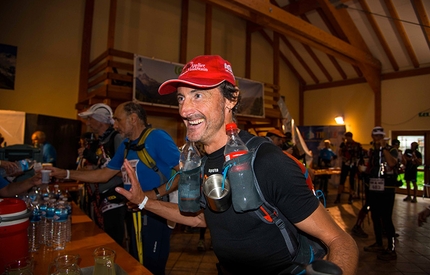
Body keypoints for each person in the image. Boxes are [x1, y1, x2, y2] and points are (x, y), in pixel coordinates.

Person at [115, 55, 359, 274]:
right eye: (181, 98)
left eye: (198, 95)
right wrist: (143, 201)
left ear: (230, 100)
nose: (185, 110)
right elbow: (202, 218)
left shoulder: (266, 161)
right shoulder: (201, 161)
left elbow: (340, 241)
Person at [47, 101, 180, 275]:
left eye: (118, 120)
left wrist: (153, 195)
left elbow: (185, 173)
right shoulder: (126, 145)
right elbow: (104, 174)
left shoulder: (157, 137)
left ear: (133, 118)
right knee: (137, 262)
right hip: (135, 212)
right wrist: (65, 174)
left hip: (156, 213)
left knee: (151, 266)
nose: (114, 125)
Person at [76, 103, 127, 246]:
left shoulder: (115, 138)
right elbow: (102, 164)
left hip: (113, 199)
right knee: (101, 238)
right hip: (99, 197)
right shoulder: (101, 141)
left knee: (112, 241)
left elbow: (124, 169)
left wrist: (96, 171)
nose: (88, 123)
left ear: (100, 120)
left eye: (91, 119)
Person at [363, 126, 399, 261]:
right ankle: (379, 243)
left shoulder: (392, 150)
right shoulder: (372, 152)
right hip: (373, 188)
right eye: (375, 136)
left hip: (387, 188)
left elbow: (391, 163)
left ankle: (391, 248)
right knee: (375, 216)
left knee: (386, 218)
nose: (377, 139)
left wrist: (384, 149)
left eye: (380, 136)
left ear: (383, 137)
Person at [335, 131, 362, 204]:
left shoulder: (357, 145)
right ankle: (338, 197)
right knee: (342, 180)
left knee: (351, 181)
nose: (347, 139)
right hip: (345, 164)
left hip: (353, 164)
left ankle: (351, 197)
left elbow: (360, 155)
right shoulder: (344, 145)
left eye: (348, 137)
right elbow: (340, 154)